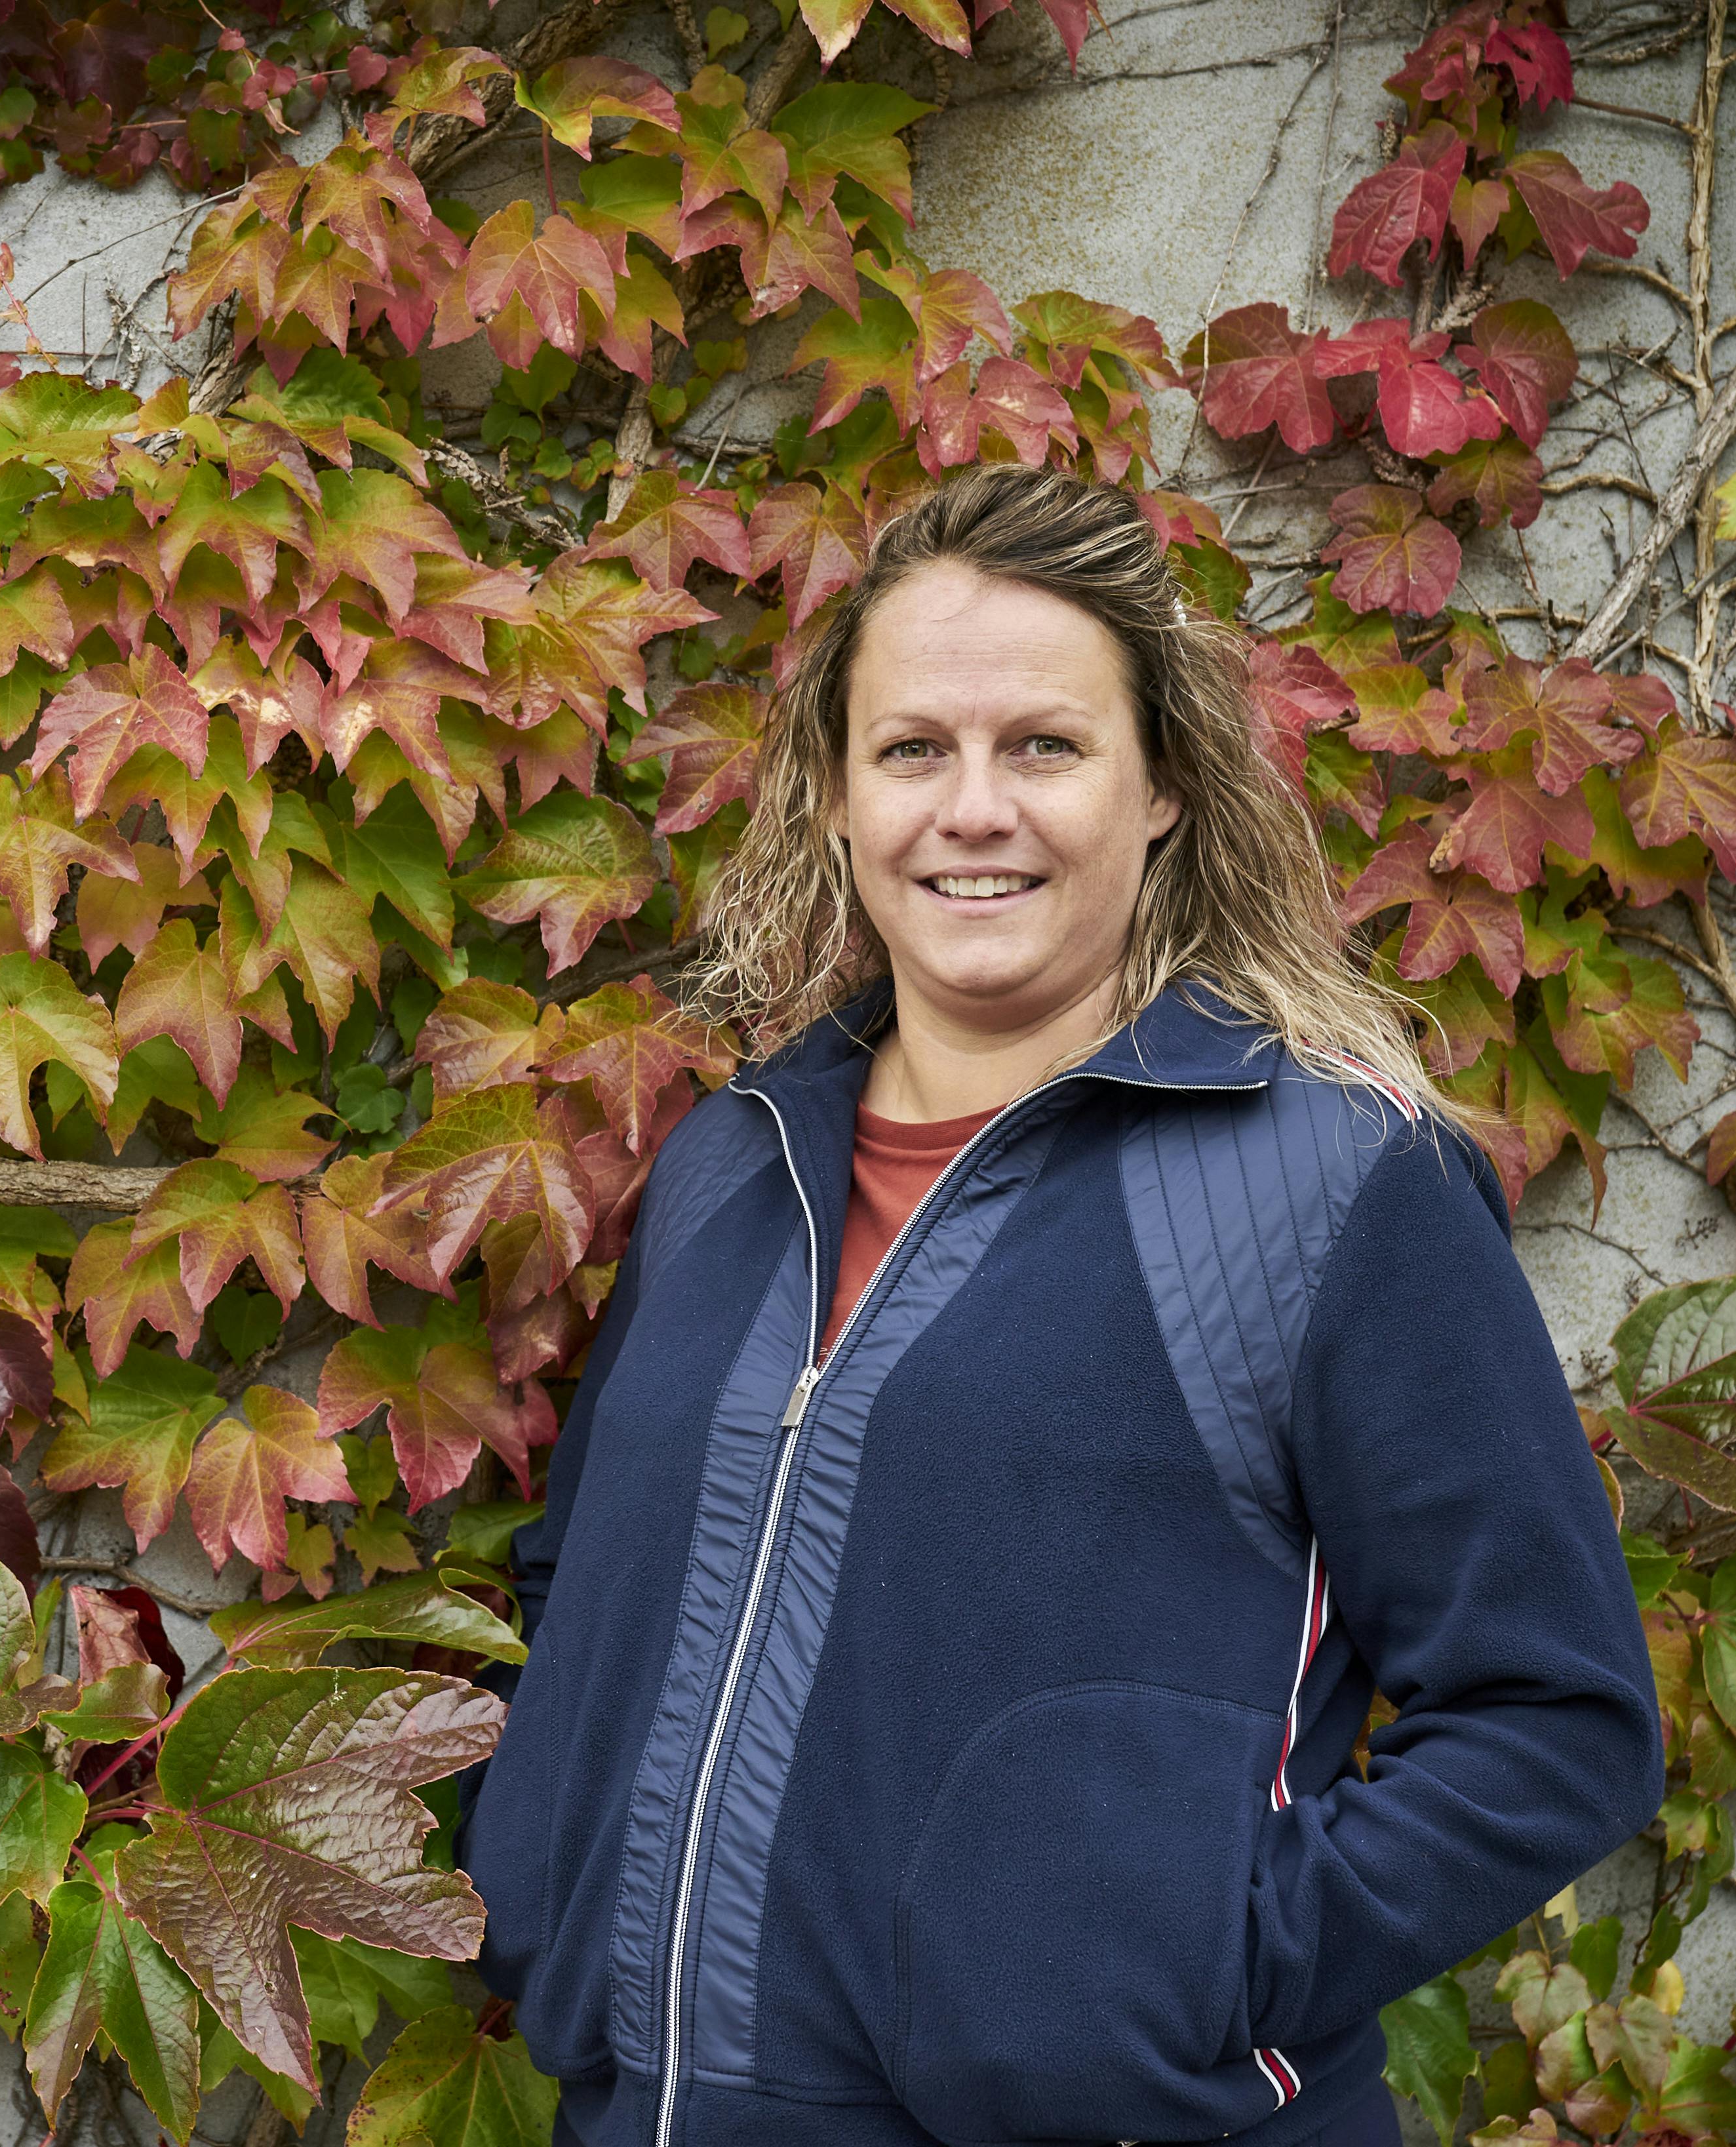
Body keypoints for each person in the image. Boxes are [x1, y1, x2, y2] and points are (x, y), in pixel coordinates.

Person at [460, 465, 1665, 2147]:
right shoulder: (737, 1168)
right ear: (833, 796)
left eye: (1044, 745)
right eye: (913, 750)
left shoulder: (1318, 1181)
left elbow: (1558, 1719)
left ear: (1161, 784)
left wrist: (1168, 1977)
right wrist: (532, 1873)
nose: (974, 808)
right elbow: (580, 1584)